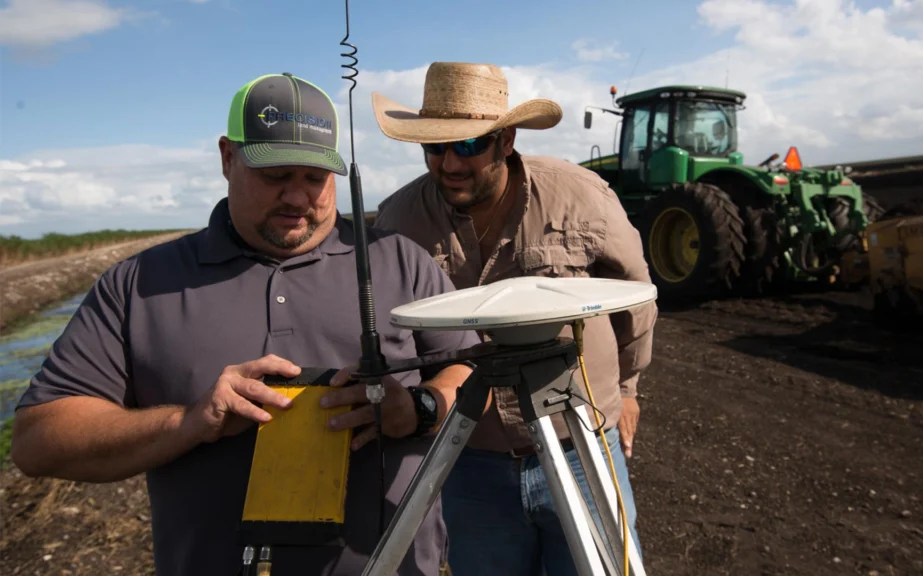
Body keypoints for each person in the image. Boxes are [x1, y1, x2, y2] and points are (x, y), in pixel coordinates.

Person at [10, 72, 479, 576]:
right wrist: (189, 422)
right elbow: (38, 440)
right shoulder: (139, 284)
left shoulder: (398, 261)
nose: (298, 199)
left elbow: (474, 372)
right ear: (227, 158)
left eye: (315, 178)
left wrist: (418, 408)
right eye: (277, 176)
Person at [369, 62, 658, 575]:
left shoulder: (581, 195)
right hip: (469, 460)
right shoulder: (397, 221)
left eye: (466, 146)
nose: (448, 164)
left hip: (580, 444)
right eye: (435, 147)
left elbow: (635, 299)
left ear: (506, 140)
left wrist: (630, 390)